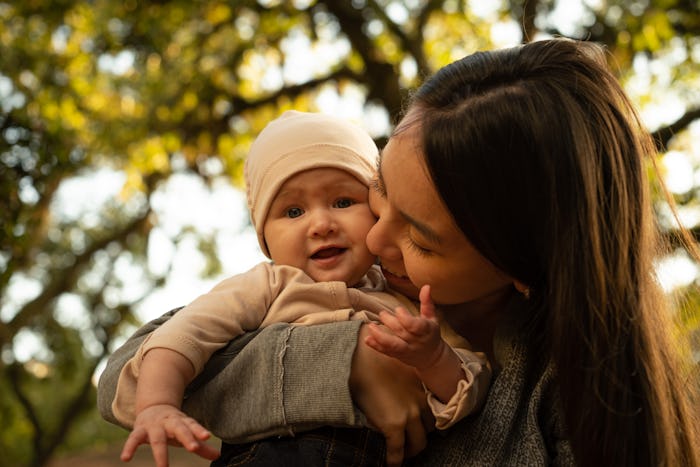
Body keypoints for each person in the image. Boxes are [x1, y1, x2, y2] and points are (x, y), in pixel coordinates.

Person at [99, 39, 700, 467]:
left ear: (521, 269)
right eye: (378, 195)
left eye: (420, 237)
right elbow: (124, 380)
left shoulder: (574, 413)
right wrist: (346, 365)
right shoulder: (288, 286)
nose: (376, 240)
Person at [114, 110, 490, 467]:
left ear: (378, 208)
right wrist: (156, 404)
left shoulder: (408, 302)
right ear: (265, 239)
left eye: (343, 202)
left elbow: (469, 385)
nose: (322, 224)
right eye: (293, 212)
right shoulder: (265, 286)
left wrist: (433, 358)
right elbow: (183, 336)